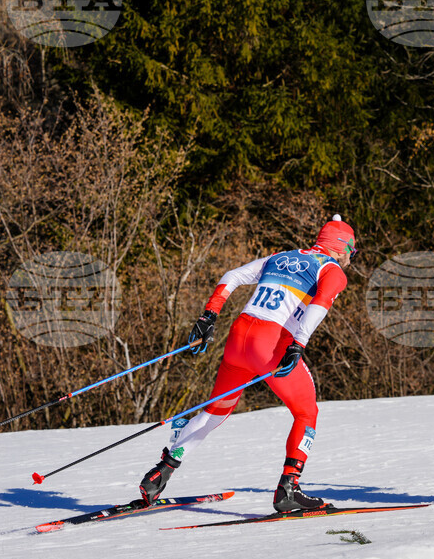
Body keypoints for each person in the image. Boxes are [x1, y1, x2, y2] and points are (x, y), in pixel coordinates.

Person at [139, 215, 356, 512]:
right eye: (351, 253)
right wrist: (299, 343)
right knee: (306, 411)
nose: (349, 260)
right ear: (342, 248)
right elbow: (319, 306)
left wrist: (209, 316)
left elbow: (232, 275)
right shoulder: (331, 270)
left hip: (238, 337)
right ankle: (288, 489)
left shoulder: (281, 257)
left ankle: (160, 472)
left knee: (215, 412)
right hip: (269, 344)